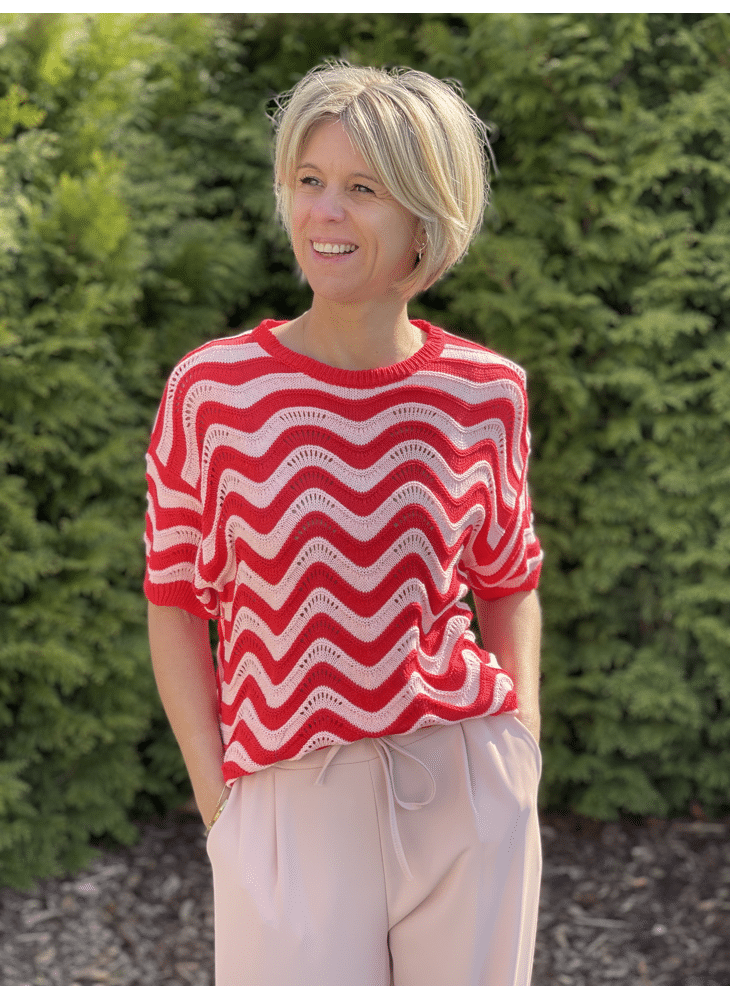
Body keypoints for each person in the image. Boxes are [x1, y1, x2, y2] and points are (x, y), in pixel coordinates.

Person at [144, 61, 544, 986]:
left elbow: (509, 580)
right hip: (287, 800)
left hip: (466, 790)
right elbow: (174, 601)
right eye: (309, 181)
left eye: (363, 189)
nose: (324, 211)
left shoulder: (487, 391)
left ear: (425, 221)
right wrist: (222, 803)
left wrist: (520, 748)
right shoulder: (212, 392)